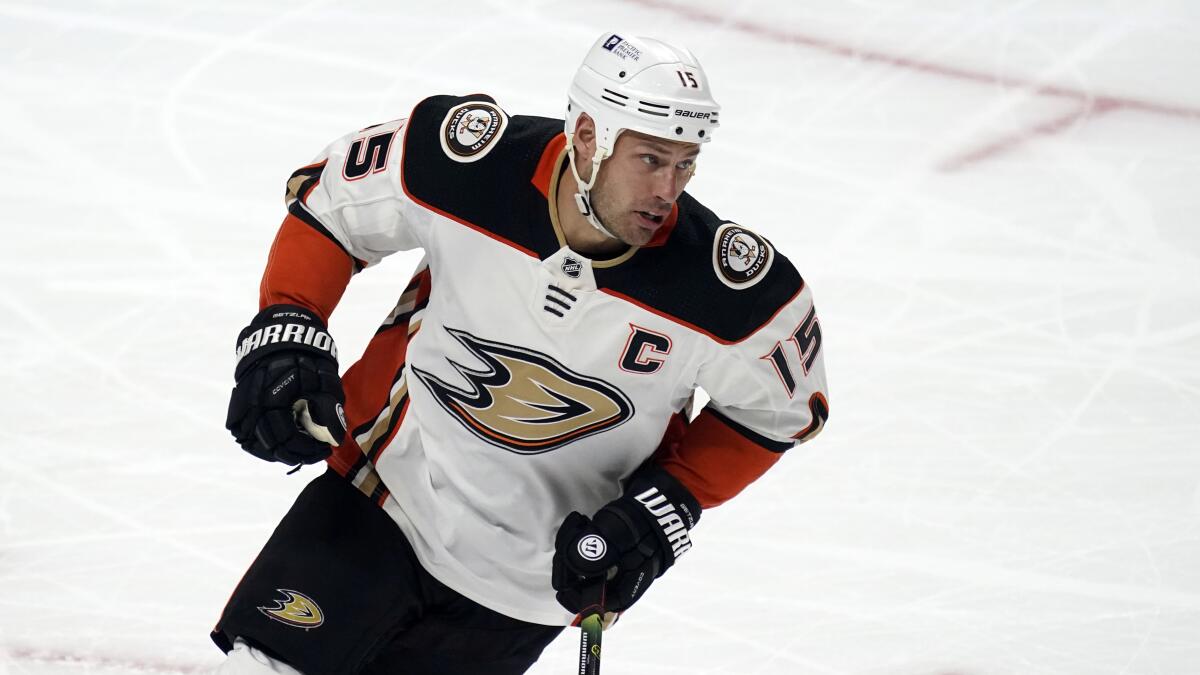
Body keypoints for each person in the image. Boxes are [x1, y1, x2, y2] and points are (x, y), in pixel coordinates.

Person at [212, 31, 829, 674]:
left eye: (685, 164)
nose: (668, 189)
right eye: (649, 160)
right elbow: (334, 206)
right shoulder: (468, 165)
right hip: (381, 496)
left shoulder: (727, 290)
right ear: (589, 136)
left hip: (533, 581)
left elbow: (777, 411)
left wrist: (668, 504)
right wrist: (288, 319)